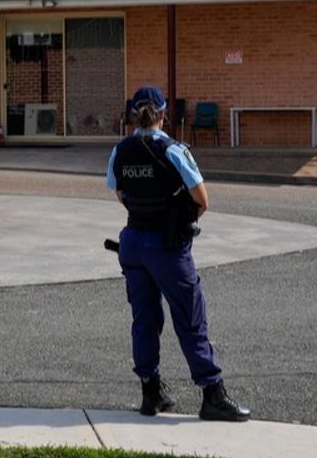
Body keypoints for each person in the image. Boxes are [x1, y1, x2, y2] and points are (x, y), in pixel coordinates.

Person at [106, 86, 251, 422]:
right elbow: (202, 200)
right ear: (163, 113)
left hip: (133, 242)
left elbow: (119, 192)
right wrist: (179, 222)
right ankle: (212, 394)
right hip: (166, 247)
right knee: (189, 318)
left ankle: (150, 392)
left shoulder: (121, 150)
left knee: (144, 320)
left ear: (133, 113)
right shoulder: (173, 150)